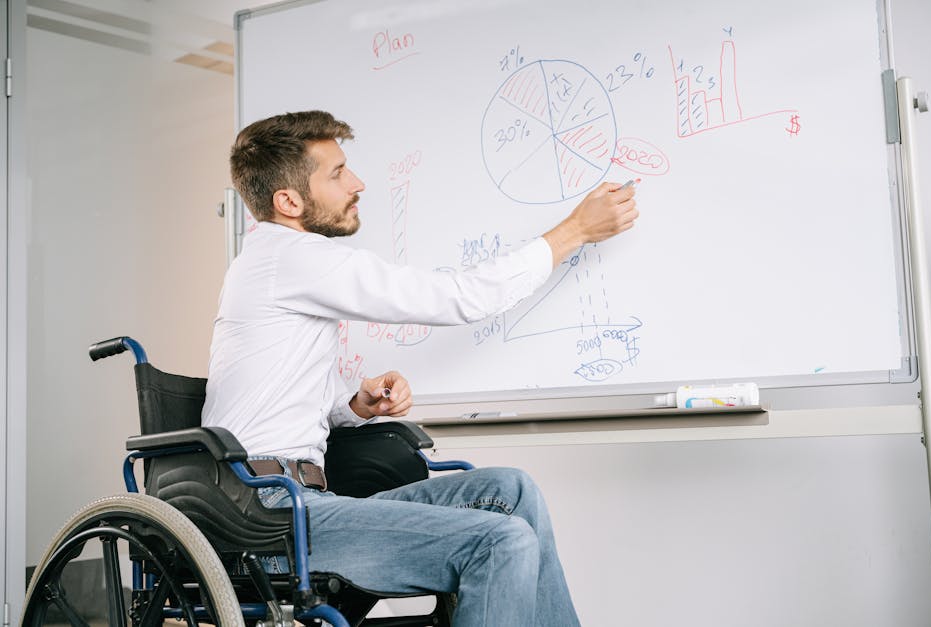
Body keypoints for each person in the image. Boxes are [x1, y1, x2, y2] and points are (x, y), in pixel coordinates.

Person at [202, 110, 639, 626]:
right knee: (498, 541)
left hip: (298, 499)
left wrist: (353, 403)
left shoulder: (274, 265)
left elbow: (279, 395)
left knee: (512, 491)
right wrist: (573, 233)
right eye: (338, 173)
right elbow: (455, 298)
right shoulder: (294, 256)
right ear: (289, 201)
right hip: (270, 516)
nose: (357, 183)